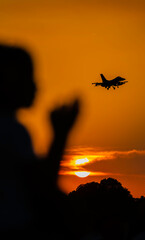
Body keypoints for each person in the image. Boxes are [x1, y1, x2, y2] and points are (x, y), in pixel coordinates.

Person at [0, 44, 79, 239]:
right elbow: (43, 187)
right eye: (27, 77)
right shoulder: (11, 130)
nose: (36, 85)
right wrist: (60, 135)